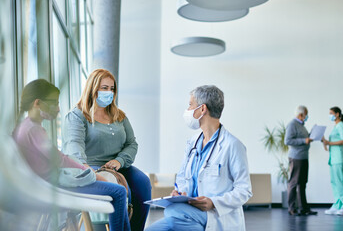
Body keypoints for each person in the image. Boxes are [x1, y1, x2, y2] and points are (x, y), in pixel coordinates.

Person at [12, 79, 130, 231]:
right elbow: (60, 159)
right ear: (37, 103)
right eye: (54, 103)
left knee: (117, 191)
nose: (58, 109)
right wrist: (92, 173)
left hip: (48, 184)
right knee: (119, 191)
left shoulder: (24, 127)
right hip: (56, 186)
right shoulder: (33, 130)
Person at [145, 85, 252, 231]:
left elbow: (244, 190)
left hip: (216, 215)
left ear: (202, 109)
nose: (187, 110)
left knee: (173, 212)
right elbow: (182, 177)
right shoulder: (192, 143)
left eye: (190, 105)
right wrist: (181, 193)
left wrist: (213, 202)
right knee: (165, 218)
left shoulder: (232, 145)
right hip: (190, 212)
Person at [63, 68, 151, 231]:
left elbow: (132, 144)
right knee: (124, 191)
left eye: (112, 89)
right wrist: (87, 170)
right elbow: (74, 147)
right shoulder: (78, 116)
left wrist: (120, 161)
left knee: (143, 183)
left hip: (118, 165)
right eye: (104, 88)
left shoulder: (119, 115)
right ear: (93, 88)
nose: (109, 92)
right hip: (92, 166)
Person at [284, 105, 317, 216]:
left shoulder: (301, 125)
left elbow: (303, 138)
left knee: (302, 183)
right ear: (300, 114)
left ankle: (304, 208)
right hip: (296, 157)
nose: (307, 116)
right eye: (306, 114)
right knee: (293, 183)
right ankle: (292, 208)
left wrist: (310, 137)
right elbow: (287, 140)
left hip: (303, 157)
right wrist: (304, 140)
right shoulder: (292, 124)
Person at [322, 107, 343, 216]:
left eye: (331, 113)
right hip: (333, 159)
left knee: (340, 181)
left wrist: (329, 143)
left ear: (337, 114)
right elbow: (332, 142)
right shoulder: (335, 127)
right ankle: (337, 204)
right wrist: (325, 142)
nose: (330, 115)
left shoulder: (341, 125)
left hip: (339, 158)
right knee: (334, 182)